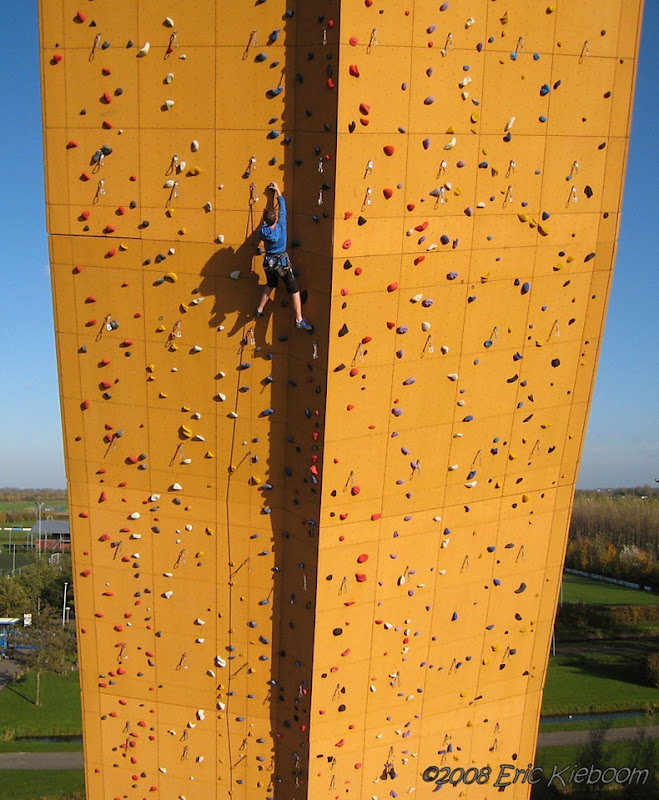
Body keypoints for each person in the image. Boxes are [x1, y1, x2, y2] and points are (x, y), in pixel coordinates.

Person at [255, 182, 313, 331]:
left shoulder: (264, 232)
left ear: (265, 221)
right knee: (294, 289)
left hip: (269, 263)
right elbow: (283, 209)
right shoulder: (281, 225)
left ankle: (260, 309)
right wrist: (278, 191)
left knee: (271, 284)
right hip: (282, 262)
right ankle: (299, 319)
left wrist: (265, 221)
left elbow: (261, 231)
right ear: (275, 219)